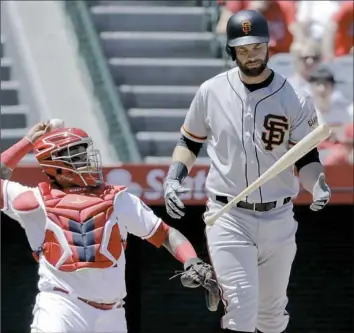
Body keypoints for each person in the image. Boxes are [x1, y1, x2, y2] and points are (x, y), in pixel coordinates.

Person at [163, 9, 331, 333]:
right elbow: (189, 140)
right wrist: (174, 176)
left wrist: (318, 185)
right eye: (243, 48)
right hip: (229, 215)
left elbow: (307, 157)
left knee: (271, 316)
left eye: (256, 47)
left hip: (278, 216)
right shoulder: (211, 91)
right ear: (232, 50)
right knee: (240, 311)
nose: (251, 54)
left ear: (268, 46)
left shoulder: (293, 96)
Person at [0, 121, 220, 333]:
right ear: (54, 166)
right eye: (76, 156)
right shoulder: (34, 200)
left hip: (112, 314)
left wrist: (192, 261)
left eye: (85, 153)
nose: (86, 160)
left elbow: (164, 233)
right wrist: (28, 142)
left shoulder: (117, 198)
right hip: (61, 306)